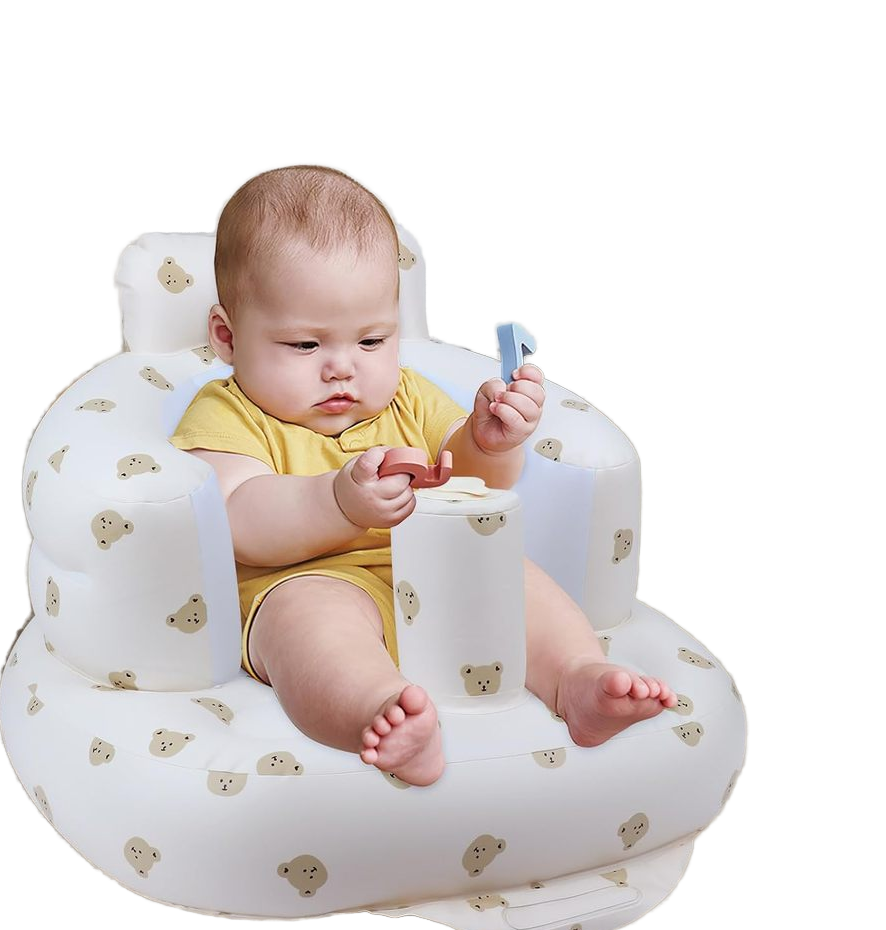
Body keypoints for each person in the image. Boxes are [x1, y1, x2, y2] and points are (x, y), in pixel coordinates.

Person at [169, 165, 677, 787]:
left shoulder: (408, 395)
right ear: (227, 336)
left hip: (434, 566)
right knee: (307, 629)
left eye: (372, 341)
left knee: (508, 573)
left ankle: (575, 678)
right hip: (311, 581)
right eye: (305, 345)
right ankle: (382, 714)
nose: (342, 369)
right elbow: (238, 516)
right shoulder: (226, 413)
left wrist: (488, 442)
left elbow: (473, 480)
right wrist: (337, 503)